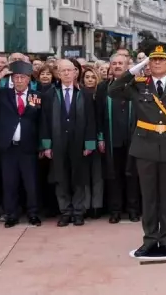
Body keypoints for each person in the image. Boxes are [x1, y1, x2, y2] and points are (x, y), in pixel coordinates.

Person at [109, 43, 166, 257]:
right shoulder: (138, 84)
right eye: (153, 59)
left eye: (162, 59)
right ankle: (150, 239)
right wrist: (134, 69)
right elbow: (113, 90)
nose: (157, 63)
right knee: (149, 197)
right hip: (145, 146)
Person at [40, 59, 97, 227]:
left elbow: (91, 121)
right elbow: (44, 121)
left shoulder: (85, 94)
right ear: (57, 73)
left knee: (78, 179)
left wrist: (89, 144)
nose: (66, 73)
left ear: (75, 73)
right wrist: (46, 145)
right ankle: (65, 211)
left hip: (78, 142)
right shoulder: (50, 94)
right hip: (57, 143)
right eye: (62, 71)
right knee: (61, 178)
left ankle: (78, 212)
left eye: (69, 70)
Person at [0, 61, 42, 227]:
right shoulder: (3, 94)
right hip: (8, 146)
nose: (19, 80)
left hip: (28, 147)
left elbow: (41, 120)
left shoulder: (36, 96)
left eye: (22, 77)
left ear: (28, 79)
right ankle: (11, 214)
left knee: (31, 183)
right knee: (9, 183)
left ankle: (33, 213)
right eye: (16, 77)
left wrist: (41, 144)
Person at [95, 54, 140, 224]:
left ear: (128, 65)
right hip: (111, 137)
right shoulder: (103, 88)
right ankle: (115, 210)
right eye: (114, 63)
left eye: (121, 63)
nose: (117, 66)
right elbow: (98, 115)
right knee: (113, 176)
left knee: (132, 175)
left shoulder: (136, 85)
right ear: (110, 67)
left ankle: (133, 210)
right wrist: (100, 137)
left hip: (133, 138)